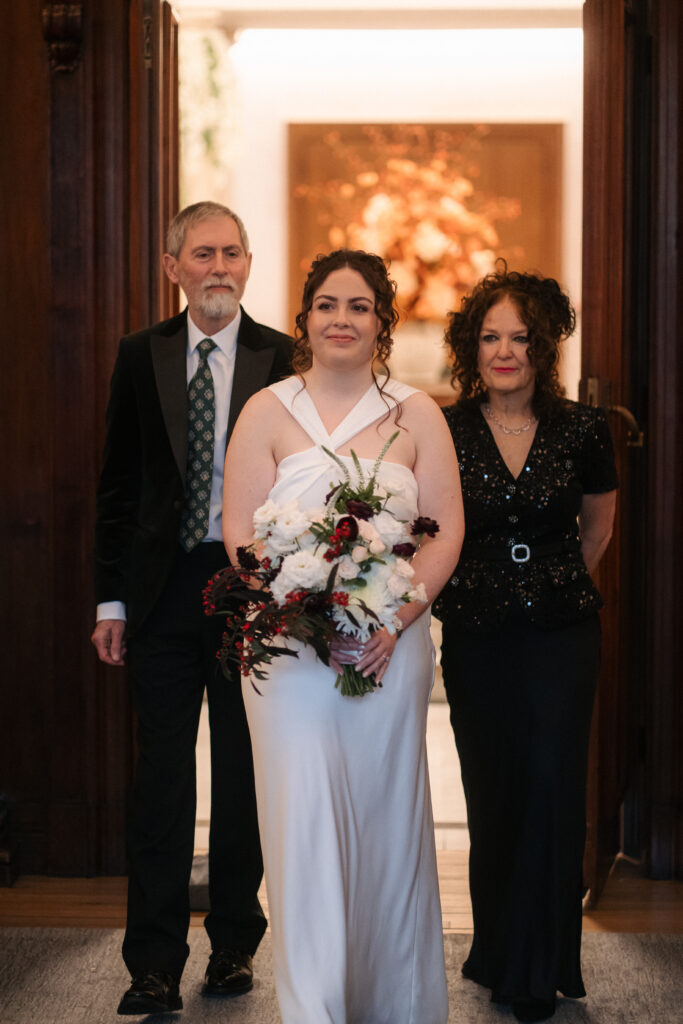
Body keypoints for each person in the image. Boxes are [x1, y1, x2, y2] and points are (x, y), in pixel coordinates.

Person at [223, 249, 464, 1024]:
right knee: (301, 821)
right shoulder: (265, 409)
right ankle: (312, 1006)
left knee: (384, 819)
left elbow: (446, 530)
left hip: (385, 651)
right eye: (327, 304)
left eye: (358, 306)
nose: (341, 319)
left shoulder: (416, 412)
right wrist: (300, 605)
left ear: (381, 323)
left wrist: (391, 621)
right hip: (289, 657)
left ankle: (392, 1002)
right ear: (304, 319)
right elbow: (240, 535)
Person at [91, 201, 292, 1015]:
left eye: (232, 253)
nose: (219, 266)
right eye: (202, 253)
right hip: (161, 593)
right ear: (172, 265)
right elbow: (116, 486)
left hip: (253, 595)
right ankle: (152, 964)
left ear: (249, 265)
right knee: (163, 781)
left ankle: (236, 948)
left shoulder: (285, 357)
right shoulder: (140, 355)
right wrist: (110, 600)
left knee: (244, 776)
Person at [434, 264, 618, 1023]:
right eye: (489, 337)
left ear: (543, 347)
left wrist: (549, 585)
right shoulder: (442, 428)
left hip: (560, 636)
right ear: (468, 348)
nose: (503, 350)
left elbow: (598, 526)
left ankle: (536, 969)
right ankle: (496, 946)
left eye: (519, 337)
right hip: (476, 637)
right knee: (494, 792)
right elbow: (431, 526)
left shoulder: (583, 427)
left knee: (550, 789)